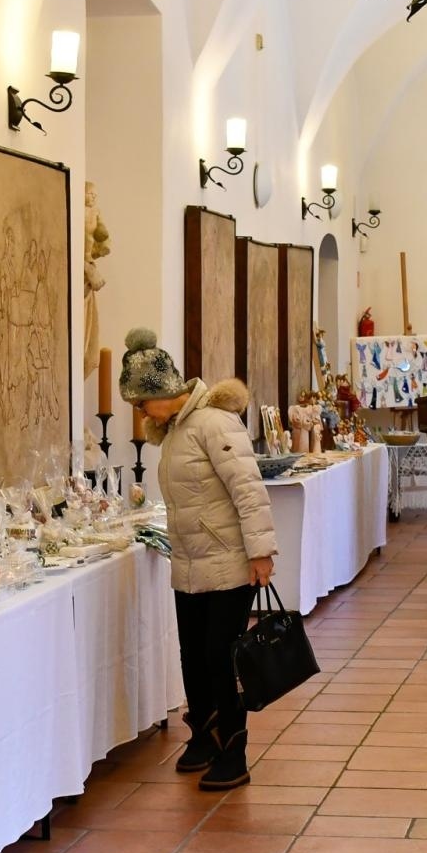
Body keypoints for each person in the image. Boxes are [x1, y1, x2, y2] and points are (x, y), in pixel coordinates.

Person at [121, 326, 276, 791]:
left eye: (140, 401)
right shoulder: (174, 432)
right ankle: (204, 737)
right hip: (189, 564)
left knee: (219, 656)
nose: (139, 411)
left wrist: (261, 552)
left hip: (228, 561)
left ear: (163, 392)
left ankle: (234, 749)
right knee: (192, 655)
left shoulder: (213, 423)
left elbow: (247, 491)